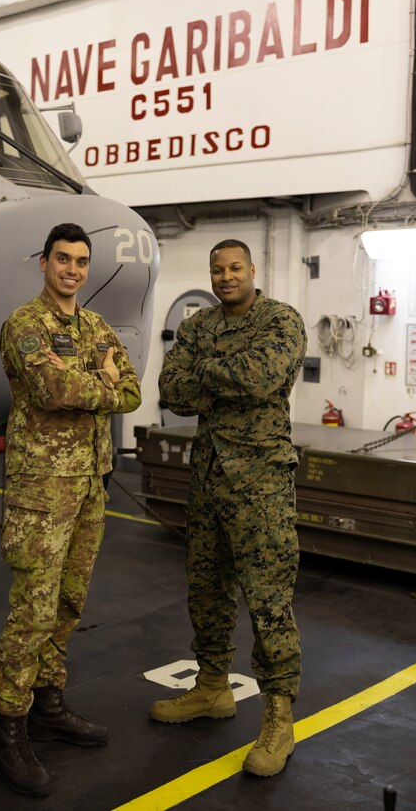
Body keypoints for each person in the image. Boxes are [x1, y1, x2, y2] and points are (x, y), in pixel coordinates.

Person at [0, 222, 141, 797]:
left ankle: (47, 706)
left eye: (81, 261)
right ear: (44, 263)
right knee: (31, 609)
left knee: (69, 602)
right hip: (41, 490)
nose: (72, 270)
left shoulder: (97, 325)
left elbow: (130, 391)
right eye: (62, 259)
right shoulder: (25, 325)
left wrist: (95, 383)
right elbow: (53, 392)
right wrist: (96, 379)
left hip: (88, 486)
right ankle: (8, 731)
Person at [149, 239, 306, 778]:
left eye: (234, 267)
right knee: (207, 589)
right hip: (210, 477)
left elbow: (263, 377)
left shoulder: (281, 321)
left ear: (252, 270)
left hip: (261, 480)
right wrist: (227, 376)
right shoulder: (197, 326)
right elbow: (170, 390)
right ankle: (213, 688)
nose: (225, 277)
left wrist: (207, 376)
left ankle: (279, 717)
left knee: (268, 600)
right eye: (217, 270)